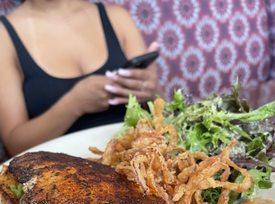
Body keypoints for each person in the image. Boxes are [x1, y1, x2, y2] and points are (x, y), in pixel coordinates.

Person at [0, 0, 159, 156]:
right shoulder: (4, 35)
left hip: (134, 161)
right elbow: (14, 146)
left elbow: (160, 108)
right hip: (57, 174)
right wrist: (74, 104)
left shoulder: (118, 18)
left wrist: (151, 91)